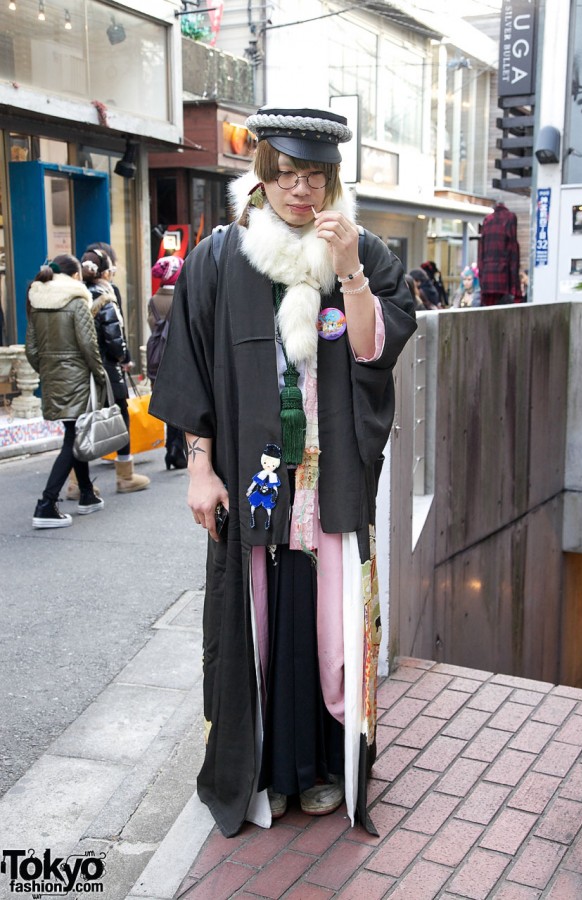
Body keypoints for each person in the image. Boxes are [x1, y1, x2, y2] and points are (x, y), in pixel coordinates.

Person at [149, 105, 417, 838]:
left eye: (315, 178)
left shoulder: (358, 250)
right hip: (257, 475)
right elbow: (191, 368)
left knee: (328, 628)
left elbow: (373, 352)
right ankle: (264, 769)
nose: (300, 192)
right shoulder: (218, 257)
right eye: (287, 175)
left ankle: (326, 768)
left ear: (332, 181)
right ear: (262, 176)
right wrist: (201, 467)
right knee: (259, 621)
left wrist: (353, 272)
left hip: (330, 479)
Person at [25, 254, 106, 528]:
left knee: (75, 431)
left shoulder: (35, 300)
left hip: (52, 377)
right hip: (78, 378)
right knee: (73, 437)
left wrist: (48, 369)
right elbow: (88, 344)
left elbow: (31, 350)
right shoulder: (76, 299)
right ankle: (46, 503)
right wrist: (100, 373)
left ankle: (86, 494)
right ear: (74, 276)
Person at [81, 247, 150, 493]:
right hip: (108, 369)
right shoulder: (104, 296)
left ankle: (76, 483)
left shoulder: (77, 295)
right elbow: (113, 337)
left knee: (84, 422)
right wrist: (122, 357)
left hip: (82, 371)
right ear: (105, 272)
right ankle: (125, 476)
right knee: (120, 418)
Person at [147, 254, 186, 469]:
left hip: (157, 359)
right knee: (181, 405)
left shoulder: (153, 300)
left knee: (168, 403)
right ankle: (176, 448)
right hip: (178, 357)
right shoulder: (181, 296)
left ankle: (170, 448)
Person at [477, 201, 521, 305]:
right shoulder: (510, 218)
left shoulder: (487, 220)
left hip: (487, 278)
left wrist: (482, 277)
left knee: (489, 313)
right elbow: (513, 250)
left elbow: (481, 252)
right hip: (504, 277)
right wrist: (515, 286)